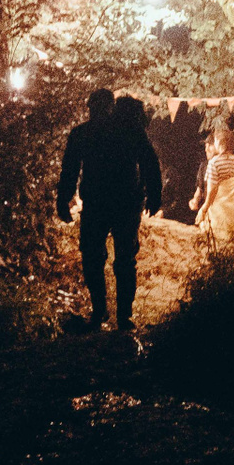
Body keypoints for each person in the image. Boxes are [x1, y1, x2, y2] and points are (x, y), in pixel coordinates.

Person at [56, 89, 162, 331]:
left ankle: (103, 312)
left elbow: (69, 170)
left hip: (102, 204)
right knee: (120, 259)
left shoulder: (84, 133)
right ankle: (119, 315)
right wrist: (154, 195)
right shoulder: (127, 131)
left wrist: (63, 199)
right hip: (122, 204)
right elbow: (150, 162)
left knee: (97, 257)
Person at [188, 125, 234, 245]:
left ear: (220, 143)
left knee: (216, 242)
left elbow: (212, 191)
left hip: (219, 213)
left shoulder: (214, 163)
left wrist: (204, 209)